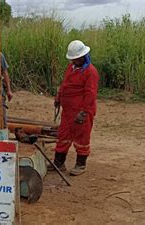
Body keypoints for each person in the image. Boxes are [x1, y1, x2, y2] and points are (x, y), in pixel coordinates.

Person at [50, 40, 99, 176]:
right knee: (63, 135)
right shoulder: (71, 68)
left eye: (76, 58)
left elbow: (90, 94)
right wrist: (59, 97)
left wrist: (83, 112)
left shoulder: (90, 72)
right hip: (68, 111)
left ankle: (80, 165)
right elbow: (65, 84)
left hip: (81, 111)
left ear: (83, 56)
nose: (74, 61)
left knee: (81, 138)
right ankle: (59, 163)